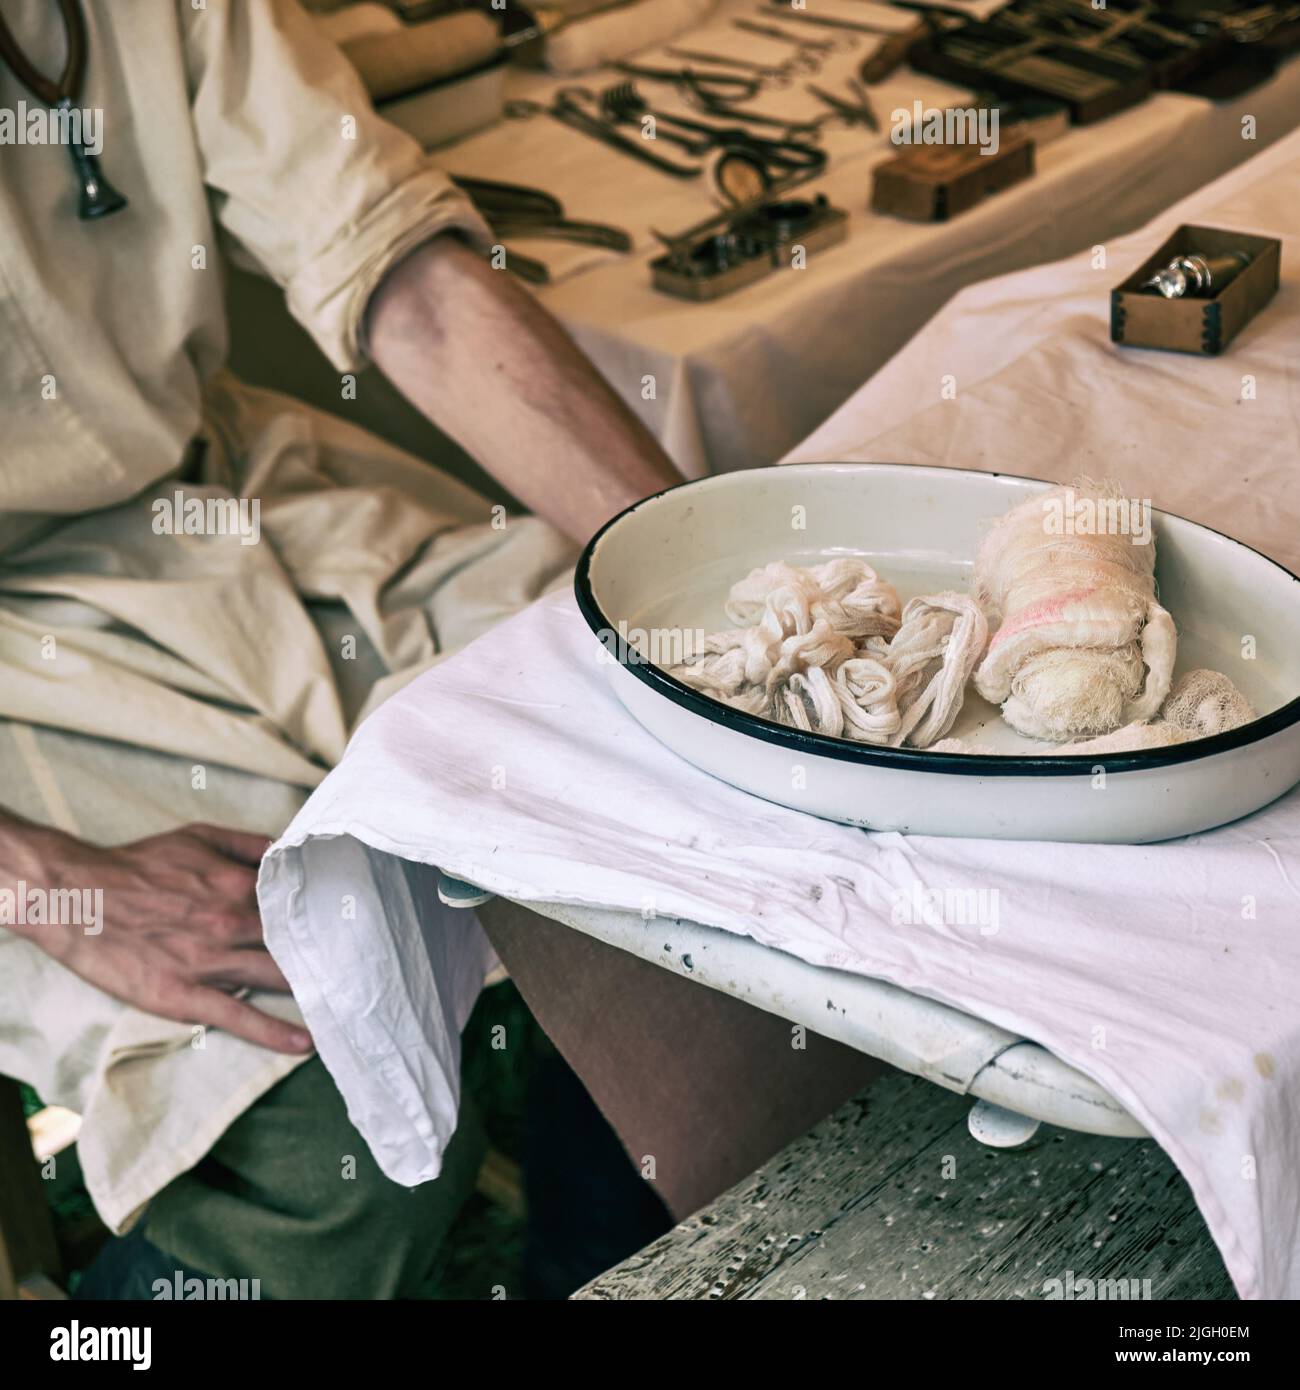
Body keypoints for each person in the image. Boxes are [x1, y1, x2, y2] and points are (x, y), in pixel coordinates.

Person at [0, 0, 679, 1299]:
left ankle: (608, 1274)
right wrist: (43, 882)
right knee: (336, 1116)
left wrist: (687, 581)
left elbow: (402, 274)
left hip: (212, 498)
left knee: (645, 775)